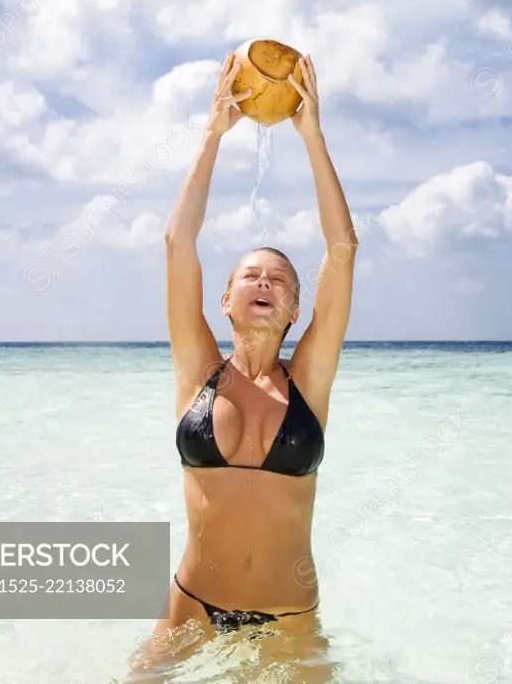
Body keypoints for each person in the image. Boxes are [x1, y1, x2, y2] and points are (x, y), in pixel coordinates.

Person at [133, 50, 357, 681]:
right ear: (224, 300)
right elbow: (179, 243)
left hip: (289, 623)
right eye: (250, 275)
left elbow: (343, 249)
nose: (265, 282)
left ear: (294, 310)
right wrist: (212, 133)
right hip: (189, 610)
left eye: (280, 279)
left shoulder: (309, 381)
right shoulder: (197, 372)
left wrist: (312, 136)